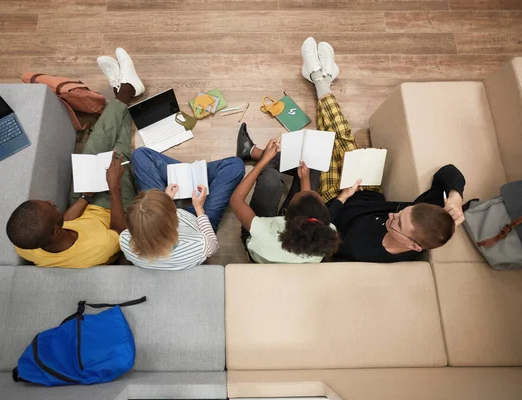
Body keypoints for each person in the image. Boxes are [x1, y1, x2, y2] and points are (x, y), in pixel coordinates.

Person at [299, 37, 466, 263]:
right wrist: (455, 198)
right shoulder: (424, 220)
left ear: (412, 245)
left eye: (396, 222)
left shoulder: (359, 250)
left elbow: (326, 227)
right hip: (366, 187)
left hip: (335, 201)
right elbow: (449, 172)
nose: (391, 214)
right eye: (400, 213)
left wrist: (343, 196)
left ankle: (322, 80)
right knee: (342, 135)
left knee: (327, 144)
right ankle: (321, 81)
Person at [7, 48, 143, 268]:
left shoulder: (25, 244)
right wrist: (114, 187)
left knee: (96, 141)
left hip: (82, 202)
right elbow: (121, 232)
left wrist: (86, 197)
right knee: (119, 151)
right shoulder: (98, 248)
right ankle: (125, 90)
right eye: (50, 207)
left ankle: (125, 90)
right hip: (114, 211)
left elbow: (68, 221)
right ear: (55, 229)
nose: (52, 202)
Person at [120, 148, 245, 270]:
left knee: (140, 154)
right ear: (175, 220)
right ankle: (189, 172)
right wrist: (199, 209)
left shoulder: (125, 240)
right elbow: (213, 245)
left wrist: (166, 198)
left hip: (163, 218)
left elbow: (148, 225)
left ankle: (183, 172)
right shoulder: (199, 244)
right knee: (235, 166)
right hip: (197, 220)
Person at [232, 125, 340, 263]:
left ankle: (256, 154)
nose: (306, 190)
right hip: (292, 229)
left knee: (270, 178)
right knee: (310, 166)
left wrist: (263, 161)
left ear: (286, 216)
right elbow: (306, 201)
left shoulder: (264, 235)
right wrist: (304, 179)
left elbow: (236, 200)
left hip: (261, 237)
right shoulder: (326, 234)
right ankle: (256, 153)